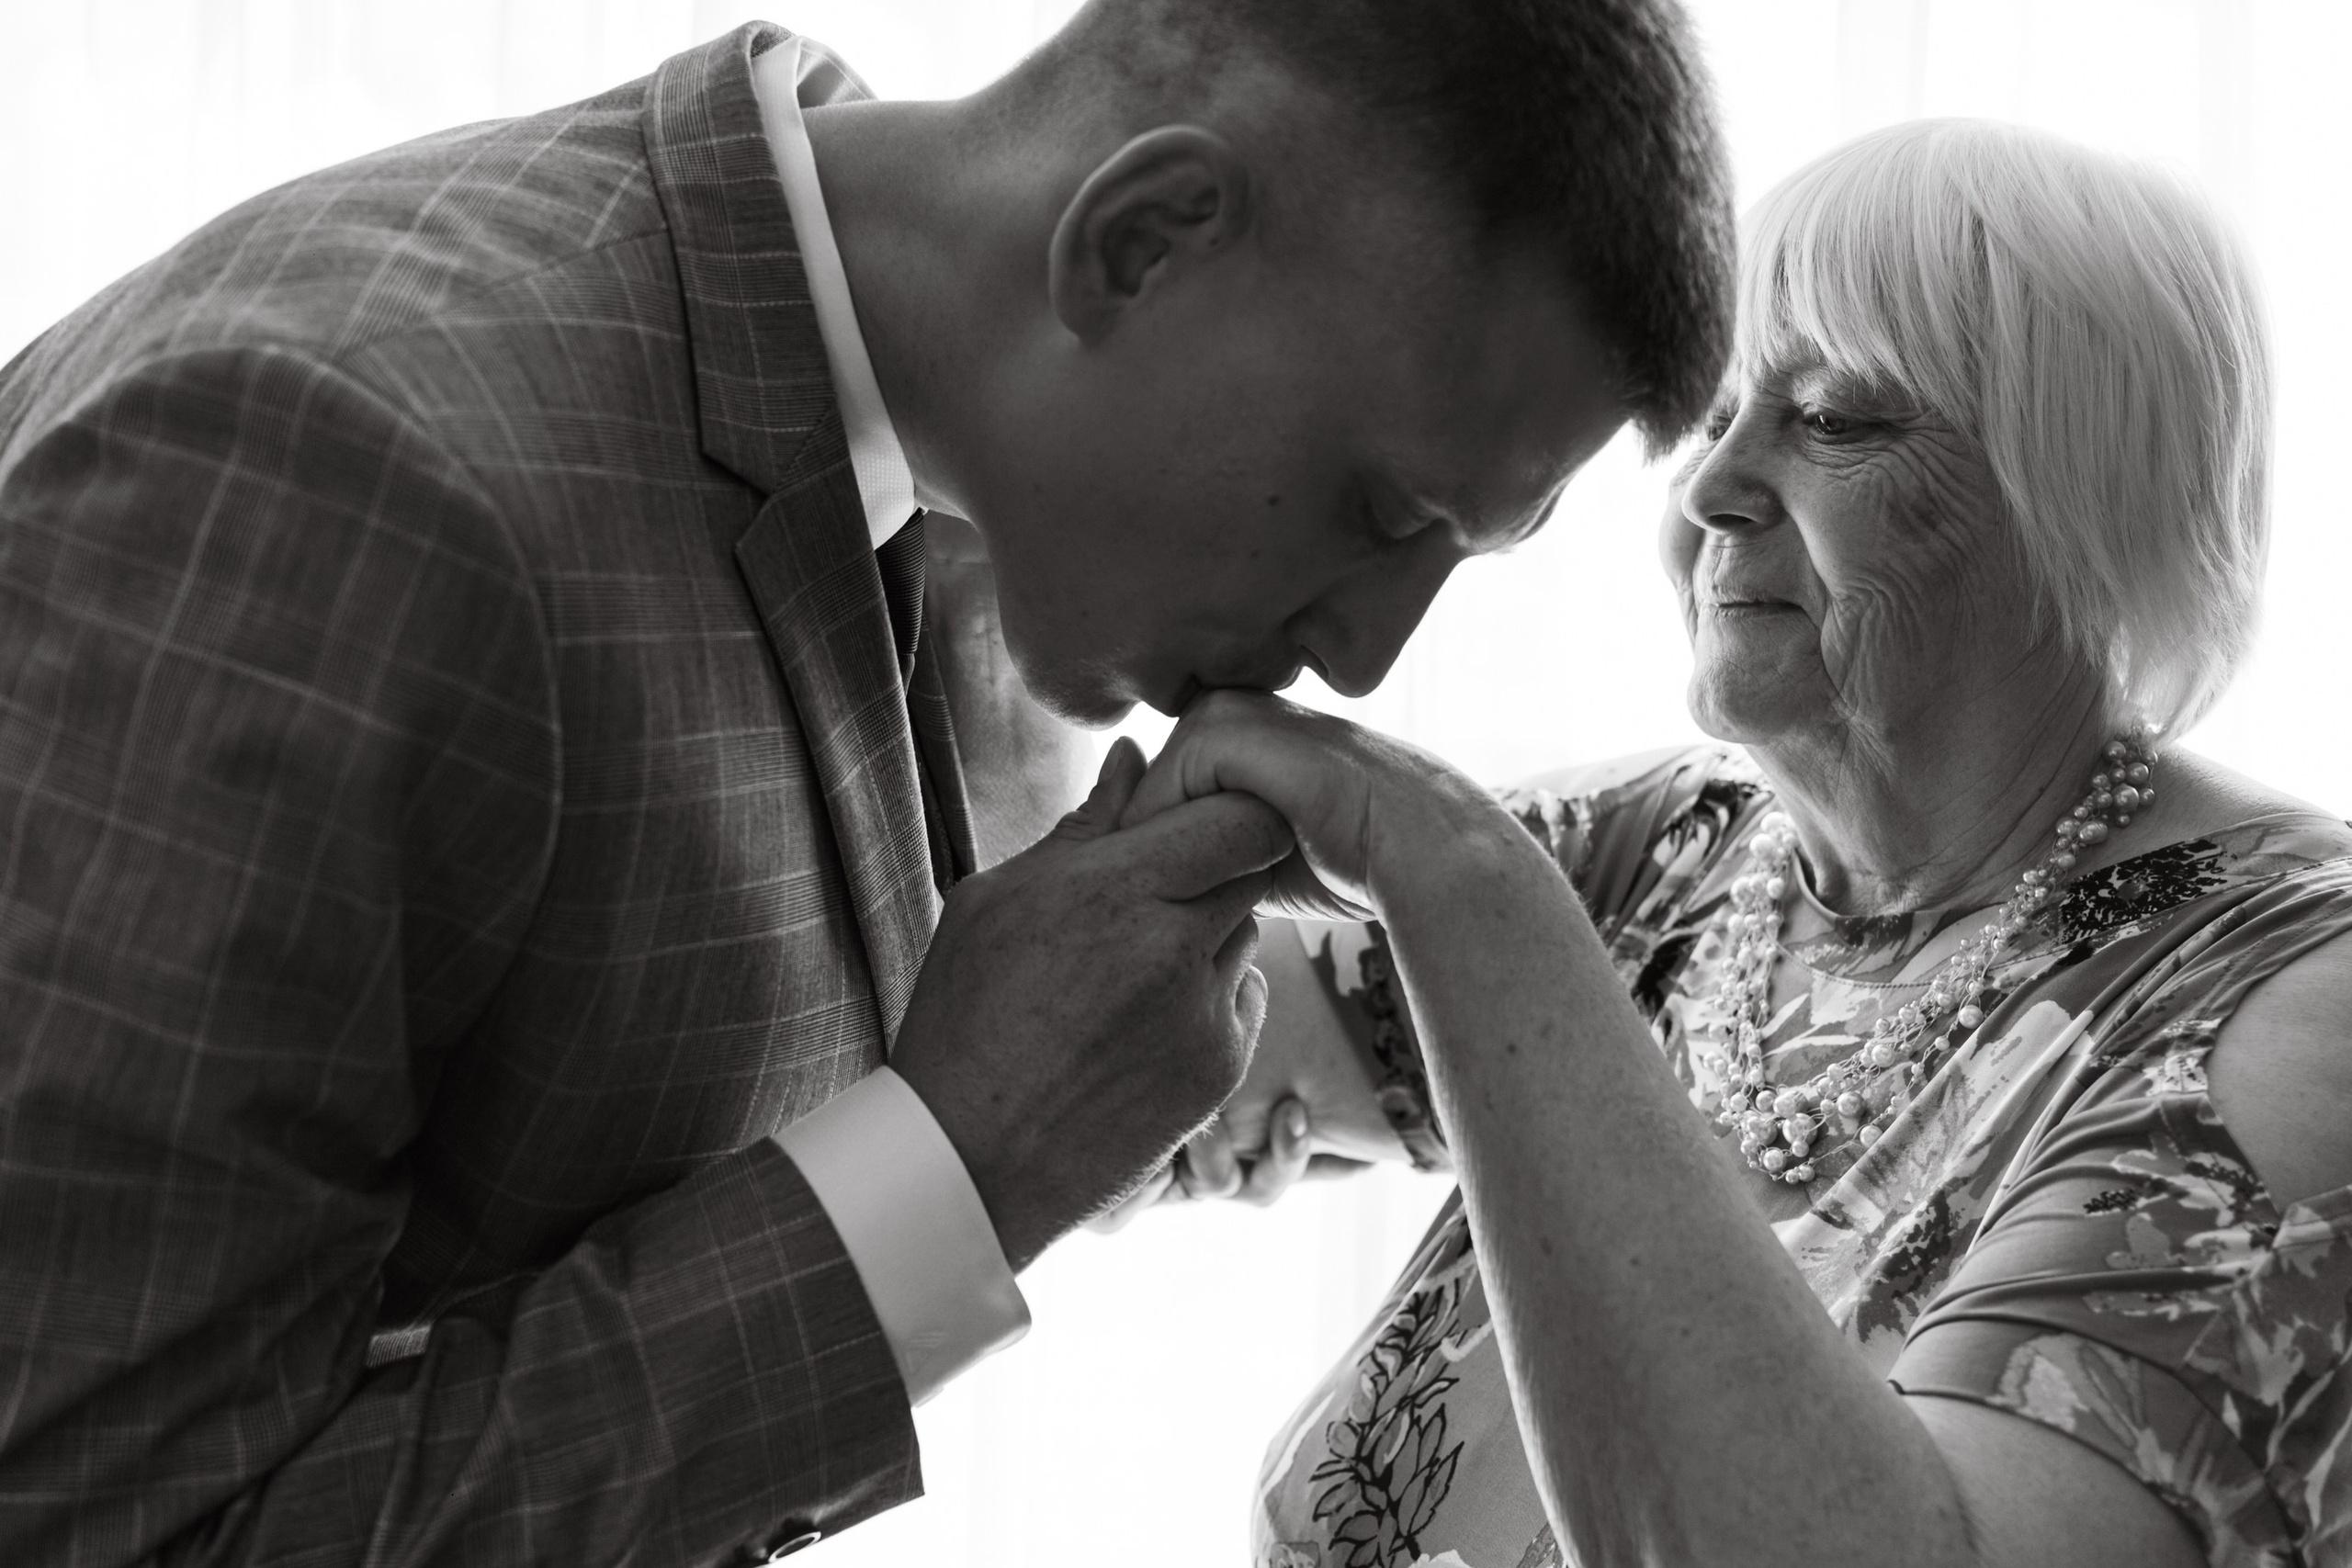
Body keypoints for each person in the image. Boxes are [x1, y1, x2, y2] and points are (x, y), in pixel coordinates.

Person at [0, 4, 1732, 1563]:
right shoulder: (337, 471)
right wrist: (950, 1177)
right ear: (1141, 243)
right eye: (1383, 512)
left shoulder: (964, 486)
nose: (1365, 660)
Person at [1128, 119, 2352, 1568]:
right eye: (1713, 417)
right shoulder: (1671, 854)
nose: (1707, 487)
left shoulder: (2283, 1001)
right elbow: (1110, 1048)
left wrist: (1459, 887)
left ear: (2085, 492)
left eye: (1832, 417)